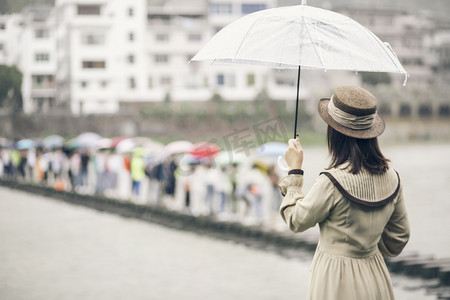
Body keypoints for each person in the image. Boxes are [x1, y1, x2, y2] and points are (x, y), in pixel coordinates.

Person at [278, 86, 410, 300]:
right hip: (375, 275)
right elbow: (399, 238)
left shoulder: (331, 181)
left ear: (335, 133)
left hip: (335, 279)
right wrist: (365, 245)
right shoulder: (393, 177)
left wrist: (294, 172)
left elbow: (296, 220)